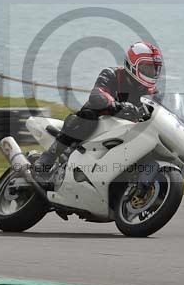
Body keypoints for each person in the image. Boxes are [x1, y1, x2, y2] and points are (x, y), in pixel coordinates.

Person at [33, 41, 163, 184]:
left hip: (125, 133)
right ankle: (47, 159)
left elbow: (158, 115)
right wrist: (118, 106)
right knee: (89, 115)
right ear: (132, 65)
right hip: (101, 122)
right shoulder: (112, 74)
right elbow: (97, 94)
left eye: (154, 69)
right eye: (147, 68)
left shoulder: (153, 93)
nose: (151, 73)